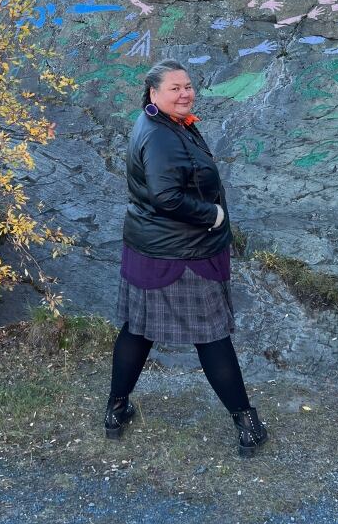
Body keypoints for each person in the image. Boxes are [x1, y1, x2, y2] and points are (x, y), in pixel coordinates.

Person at [103, 59, 269, 457]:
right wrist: (211, 214)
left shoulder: (168, 125)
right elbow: (166, 197)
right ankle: (246, 424)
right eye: (175, 88)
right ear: (153, 94)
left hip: (155, 249)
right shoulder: (160, 136)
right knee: (211, 337)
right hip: (182, 255)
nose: (185, 93)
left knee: (137, 330)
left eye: (188, 86)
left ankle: (115, 411)